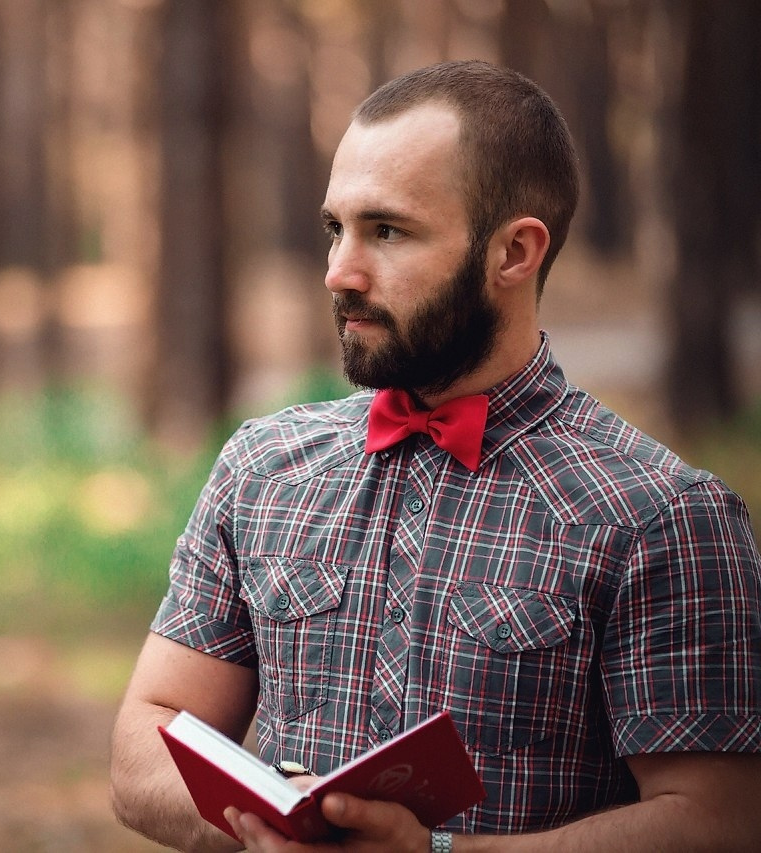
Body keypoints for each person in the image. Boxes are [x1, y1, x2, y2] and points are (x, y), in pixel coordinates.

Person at [109, 59, 761, 853]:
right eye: (335, 229)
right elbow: (144, 744)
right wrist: (268, 830)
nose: (339, 272)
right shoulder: (262, 466)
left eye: (387, 230)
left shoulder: (663, 514)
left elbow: (718, 818)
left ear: (515, 252)